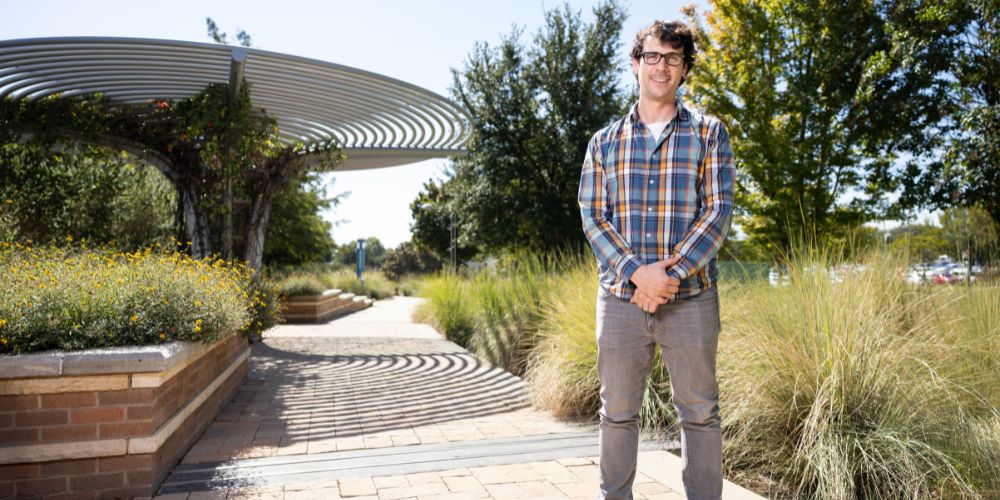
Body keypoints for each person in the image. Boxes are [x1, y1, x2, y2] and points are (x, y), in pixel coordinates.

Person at [577, 19, 735, 500]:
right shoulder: (603, 143)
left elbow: (718, 211)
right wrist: (636, 274)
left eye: (672, 57)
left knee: (700, 414)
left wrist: (669, 275)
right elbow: (592, 216)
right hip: (620, 302)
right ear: (635, 63)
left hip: (690, 300)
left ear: (685, 68)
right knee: (617, 413)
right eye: (652, 56)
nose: (661, 66)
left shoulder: (710, 133)